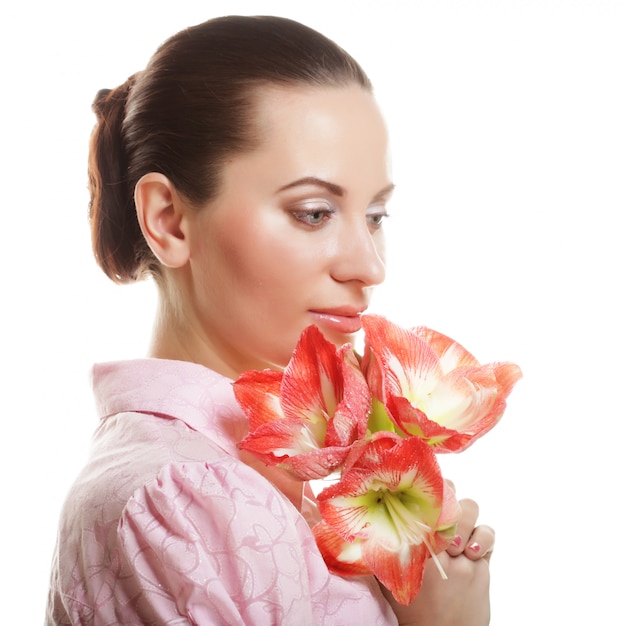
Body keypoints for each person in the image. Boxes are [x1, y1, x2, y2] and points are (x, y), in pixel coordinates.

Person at [46, 15, 494, 625]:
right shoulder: (192, 496)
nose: (369, 266)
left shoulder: (227, 474)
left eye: (375, 215)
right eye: (313, 212)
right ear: (170, 220)